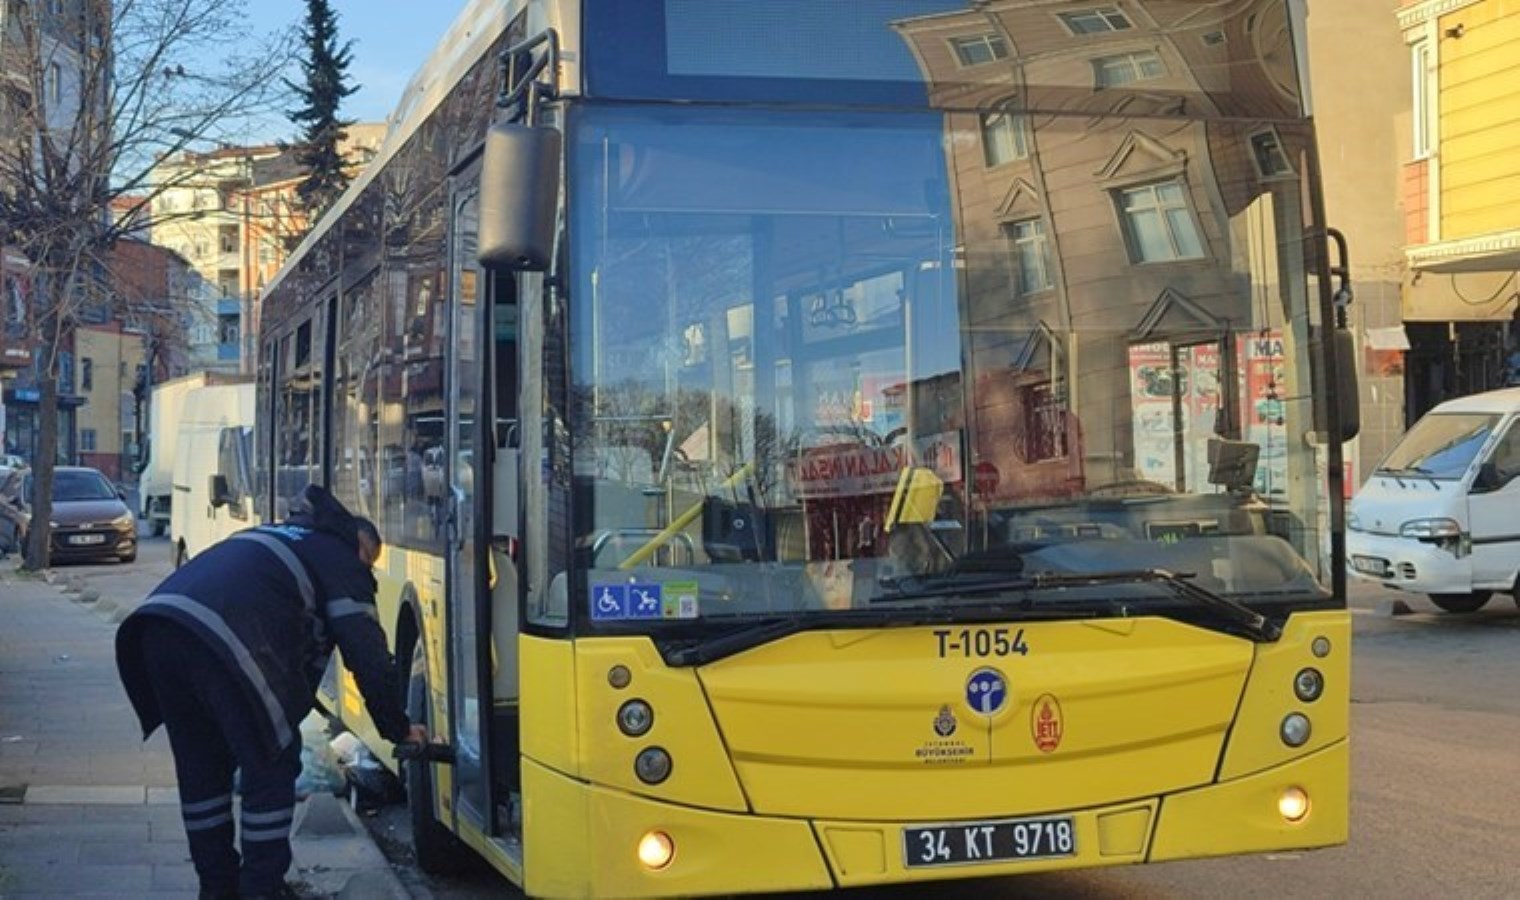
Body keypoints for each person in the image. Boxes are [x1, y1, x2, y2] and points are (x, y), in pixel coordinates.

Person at [116, 484, 426, 900]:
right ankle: (261, 889)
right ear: (360, 545)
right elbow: (367, 654)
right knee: (271, 755)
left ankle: (218, 889)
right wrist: (399, 729)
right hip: (222, 642)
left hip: (155, 633)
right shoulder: (340, 557)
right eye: (370, 562)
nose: (368, 572)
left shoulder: (274, 535)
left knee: (201, 769)